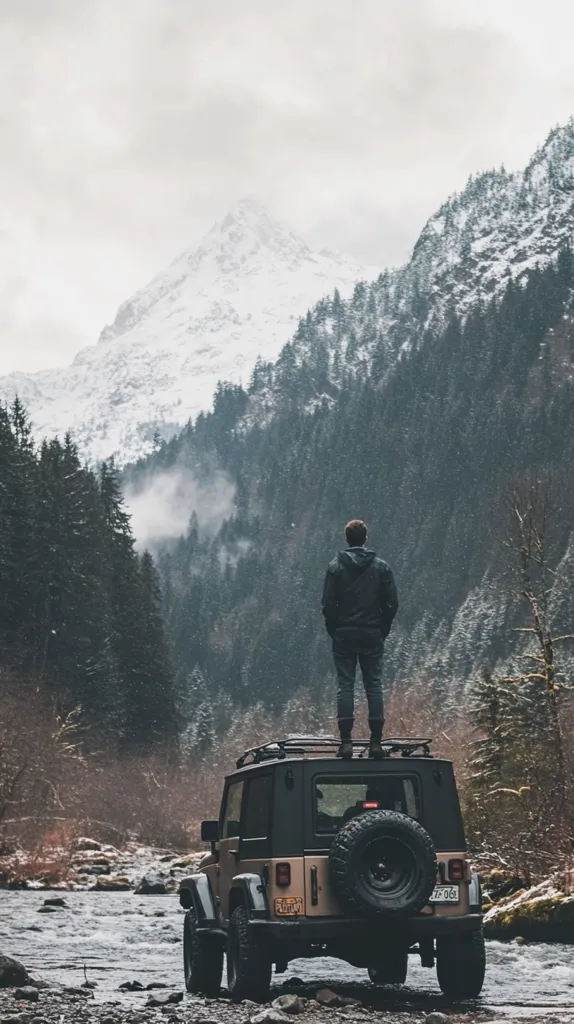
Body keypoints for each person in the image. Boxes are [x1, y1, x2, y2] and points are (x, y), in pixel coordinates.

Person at [321, 519, 398, 760]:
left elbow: (327, 605)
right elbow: (392, 605)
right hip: (372, 634)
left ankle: (346, 743)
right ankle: (376, 742)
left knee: (346, 685)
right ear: (365, 539)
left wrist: (336, 629)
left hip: (344, 634)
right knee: (373, 685)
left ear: (347, 539)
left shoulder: (335, 568)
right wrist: (381, 628)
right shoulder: (381, 568)